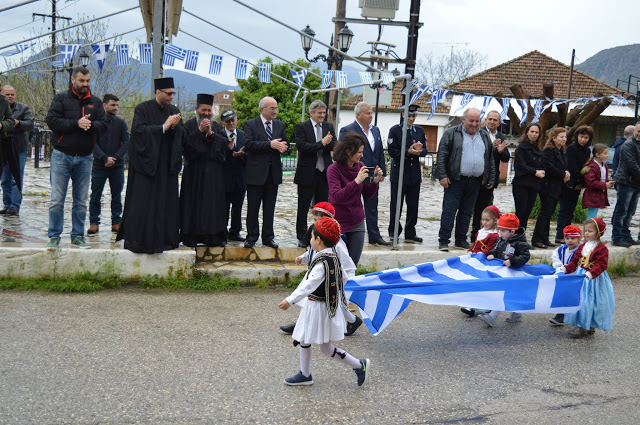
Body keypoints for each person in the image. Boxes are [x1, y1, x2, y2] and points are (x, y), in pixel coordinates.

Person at [278, 217, 370, 387]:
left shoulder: (321, 263)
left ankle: (359, 365)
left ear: (318, 240)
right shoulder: (333, 258)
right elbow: (344, 278)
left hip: (318, 308)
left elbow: (307, 285)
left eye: (311, 237)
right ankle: (305, 374)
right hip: (321, 307)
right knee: (307, 340)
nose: (310, 240)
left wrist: (289, 300)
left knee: (325, 348)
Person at [116, 77, 184, 254]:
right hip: (146, 167)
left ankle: (166, 240)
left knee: (165, 203)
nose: (171, 97)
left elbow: (179, 138)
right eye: (168, 94)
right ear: (158, 92)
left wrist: (175, 128)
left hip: (166, 167)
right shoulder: (142, 109)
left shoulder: (175, 110)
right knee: (143, 204)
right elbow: (138, 134)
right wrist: (163, 127)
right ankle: (140, 241)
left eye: (173, 94)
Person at [45, 66, 107, 249]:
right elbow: (52, 121)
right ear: (73, 80)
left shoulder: (95, 102)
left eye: (88, 81)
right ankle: (54, 236)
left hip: (85, 158)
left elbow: (103, 125)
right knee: (57, 200)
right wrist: (76, 123)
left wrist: (89, 125)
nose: (85, 84)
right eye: (82, 81)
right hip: (61, 156)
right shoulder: (61, 98)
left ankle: (77, 236)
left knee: (80, 201)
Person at [280, 202, 363, 336]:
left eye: (316, 219)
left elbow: (346, 264)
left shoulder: (335, 243)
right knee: (313, 298)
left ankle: (351, 321)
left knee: (330, 301)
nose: (314, 222)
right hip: (320, 273)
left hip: (332, 277)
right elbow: (312, 251)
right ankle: (351, 320)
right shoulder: (319, 237)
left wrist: (344, 279)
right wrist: (303, 258)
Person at [435, 108, 495, 251]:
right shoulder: (451, 133)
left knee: (467, 211)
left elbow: (489, 159)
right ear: (464, 120)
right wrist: (442, 175)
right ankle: (444, 240)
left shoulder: (484, 136)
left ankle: (461, 239)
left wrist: (491, 178)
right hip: (455, 179)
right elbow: (442, 155)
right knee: (449, 211)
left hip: (475, 181)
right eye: (471, 121)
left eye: (477, 121)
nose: (474, 124)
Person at [180, 94, 229, 247]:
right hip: (194, 175)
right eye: (204, 110)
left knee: (213, 206)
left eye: (209, 110)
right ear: (197, 109)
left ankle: (213, 237)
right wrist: (199, 132)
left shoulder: (217, 127)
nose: (207, 113)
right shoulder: (188, 126)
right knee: (192, 206)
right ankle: (192, 237)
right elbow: (186, 148)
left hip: (214, 176)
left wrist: (211, 135)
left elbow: (224, 146)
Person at [327, 132, 383, 266]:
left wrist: (374, 182)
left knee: (352, 265)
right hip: (337, 222)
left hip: (356, 221)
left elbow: (368, 194)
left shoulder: (360, 166)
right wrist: (356, 181)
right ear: (348, 151)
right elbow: (336, 197)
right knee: (337, 264)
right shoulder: (333, 169)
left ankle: (348, 287)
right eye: (359, 152)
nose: (362, 155)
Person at [339, 101, 389, 246]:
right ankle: (347, 231)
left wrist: (382, 172)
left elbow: (379, 152)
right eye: (367, 113)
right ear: (358, 114)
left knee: (372, 204)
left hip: (372, 174)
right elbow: (343, 153)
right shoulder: (347, 130)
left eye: (371, 113)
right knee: (351, 203)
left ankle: (374, 235)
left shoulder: (375, 130)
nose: (370, 116)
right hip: (354, 173)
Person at [557, 218, 614, 338]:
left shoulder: (602, 248)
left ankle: (587, 325)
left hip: (594, 279)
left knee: (590, 303)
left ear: (599, 232)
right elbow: (576, 261)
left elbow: (602, 265)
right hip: (581, 276)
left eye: (590, 231)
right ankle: (582, 325)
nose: (587, 233)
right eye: (585, 231)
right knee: (580, 301)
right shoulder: (583, 245)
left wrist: (591, 273)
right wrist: (566, 268)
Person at [243, 96, 288, 249]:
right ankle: (251, 237)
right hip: (255, 174)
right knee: (253, 208)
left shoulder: (280, 125)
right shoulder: (250, 124)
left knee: (270, 208)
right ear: (262, 109)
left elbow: (284, 142)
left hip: (273, 173)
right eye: (272, 108)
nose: (275, 111)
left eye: (276, 108)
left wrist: (283, 147)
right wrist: (270, 144)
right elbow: (248, 144)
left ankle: (268, 237)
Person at [294, 100, 335, 246]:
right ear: (312, 113)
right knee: (303, 206)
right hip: (307, 173)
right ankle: (302, 236)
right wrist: (321, 143)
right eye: (319, 113)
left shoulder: (329, 127)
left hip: (324, 174)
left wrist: (328, 143)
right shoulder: (302, 127)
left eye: (324, 113)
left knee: (323, 206)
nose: (322, 115)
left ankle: (320, 233)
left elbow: (333, 145)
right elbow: (302, 146)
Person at [87, 93, 129, 235]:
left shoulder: (121, 123)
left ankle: (116, 222)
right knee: (95, 195)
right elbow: (93, 142)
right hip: (99, 166)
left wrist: (115, 158)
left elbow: (126, 142)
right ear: (104, 105)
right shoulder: (96, 123)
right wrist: (105, 158)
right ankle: (94, 223)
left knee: (116, 195)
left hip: (117, 167)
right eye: (113, 105)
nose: (115, 108)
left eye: (117, 105)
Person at [479, 213, 531, 327]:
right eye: (499, 230)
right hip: (502, 273)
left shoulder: (520, 243)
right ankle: (517, 313)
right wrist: (491, 254)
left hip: (513, 274)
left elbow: (525, 256)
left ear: (512, 231)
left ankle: (491, 317)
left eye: (503, 231)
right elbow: (495, 249)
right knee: (506, 294)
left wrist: (512, 261)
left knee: (503, 294)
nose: (500, 233)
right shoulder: (501, 239)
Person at [387, 104, 427, 243]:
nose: (411, 118)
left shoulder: (419, 131)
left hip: (413, 174)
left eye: (413, 116)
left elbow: (426, 150)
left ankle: (410, 232)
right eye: (409, 116)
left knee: (413, 205)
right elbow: (392, 151)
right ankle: (394, 231)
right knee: (396, 204)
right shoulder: (395, 131)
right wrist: (407, 152)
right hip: (399, 173)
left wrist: (420, 150)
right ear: (403, 115)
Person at [471, 111, 510, 241]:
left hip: (491, 176)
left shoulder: (501, 137)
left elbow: (506, 157)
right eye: (490, 119)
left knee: (487, 206)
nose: (492, 122)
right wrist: (492, 148)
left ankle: (485, 233)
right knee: (474, 207)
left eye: (495, 120)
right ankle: (474, 233)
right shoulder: (479, 133)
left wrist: (500, 151)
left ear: (499, 123)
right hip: (478, 174)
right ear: (486, 120)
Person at [554, 125, 593, 244]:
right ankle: (560, 234)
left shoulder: (587, 150)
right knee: (564, 210)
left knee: (570, 211)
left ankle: (568, 235)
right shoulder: (571, 148)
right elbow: (571, 167)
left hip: (578, 184)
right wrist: (575, 182)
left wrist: (581, 183)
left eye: (586, 137)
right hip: (568, 183)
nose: (583, 140)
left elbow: (586, 167)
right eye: (581, 137)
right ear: (577, 136)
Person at [531, 127, 569, 249]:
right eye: (561, 137)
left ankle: (545, 238)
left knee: (549, 212)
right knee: (545, 212)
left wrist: (565, 173)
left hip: (557, 186)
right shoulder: (549, 151)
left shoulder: (561, 151)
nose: (564, 139)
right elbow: (549, 168)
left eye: (565, 137)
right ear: (554, 138)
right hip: (548, 186)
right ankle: (537, 239)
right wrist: (563, 174)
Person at [460, 204, 501, 318]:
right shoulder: (480, 232)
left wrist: (481, 254)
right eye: (483, 219)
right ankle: (470, 305)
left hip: (484, 262)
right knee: (471, 281)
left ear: (495, 220)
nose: (484, 222)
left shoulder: (494, 235)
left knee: (481, 283)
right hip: (475, 260)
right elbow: (475, 245)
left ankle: (483, 306)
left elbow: (489, 249)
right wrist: (470, 251)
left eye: (487, 220)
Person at [0, 85, 32, 216]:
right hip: (3, 147)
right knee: (5, 178)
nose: (10, 96)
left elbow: (30, 124)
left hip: (18, 147)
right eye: (7, 94)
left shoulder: (23, 108)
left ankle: (15, 205)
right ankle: (7, 204)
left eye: (12, 94)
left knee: (16, 177)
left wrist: (18, 123)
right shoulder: (1, 106)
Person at [511, 123, 544, 247]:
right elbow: (520, 166)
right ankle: (516, 239)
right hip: (521, 184)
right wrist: (535, 172)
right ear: (527, 132)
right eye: (532, 132)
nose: (534, 134)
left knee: (526, 214)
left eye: (536, 132)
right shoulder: (521, 148)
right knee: (520, 212)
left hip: (533, 185)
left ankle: (521, 238)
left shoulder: (538, 149)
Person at [611, 122, 640, 247]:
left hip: (636, 183)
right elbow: (632, 165)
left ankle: (625, 234)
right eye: (638, 131)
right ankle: (617, 236)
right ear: (634, 131)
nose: (639, 134)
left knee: (630, 211)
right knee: (621, 210)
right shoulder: (628, 144)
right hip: (625, 181)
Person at [220, 109, 247, 242]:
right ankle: (222, 232)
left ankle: (235, 232)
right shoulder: (219, 135)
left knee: (238, 208)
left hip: (240, 178)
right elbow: (216, 155)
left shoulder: (243, 135)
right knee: (223, 208)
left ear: (237, 120)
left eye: (233, 120)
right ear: (223, 123)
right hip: (224, 178)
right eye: (228, 121)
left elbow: (250, 154)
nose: (231, 123)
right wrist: (229, 151)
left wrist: (241, 155)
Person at [548, 225, 582, 326]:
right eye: (567, 238)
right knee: (561, 295)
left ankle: (576, 317)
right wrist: (559, 268)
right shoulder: (561, 249)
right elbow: (555, 258)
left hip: (575, 277)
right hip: (562, 276)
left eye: (573, 238)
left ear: (579, 238)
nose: (570, 241)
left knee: (575, 297)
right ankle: (560, 315)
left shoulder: (581, 250)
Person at [581, 144, 614, 220]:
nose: (607, 155)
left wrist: (609, 182)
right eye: (605, 153)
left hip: (599, 194)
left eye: (607, 153)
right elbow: (591, 182)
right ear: (597, 155)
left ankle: (592, 230)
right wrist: (605, 185)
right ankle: (588, 230)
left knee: (594, 215)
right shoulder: (592, 167)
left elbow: (603, 178)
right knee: (592, 216)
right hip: (592, 195)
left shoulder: (604, 165)